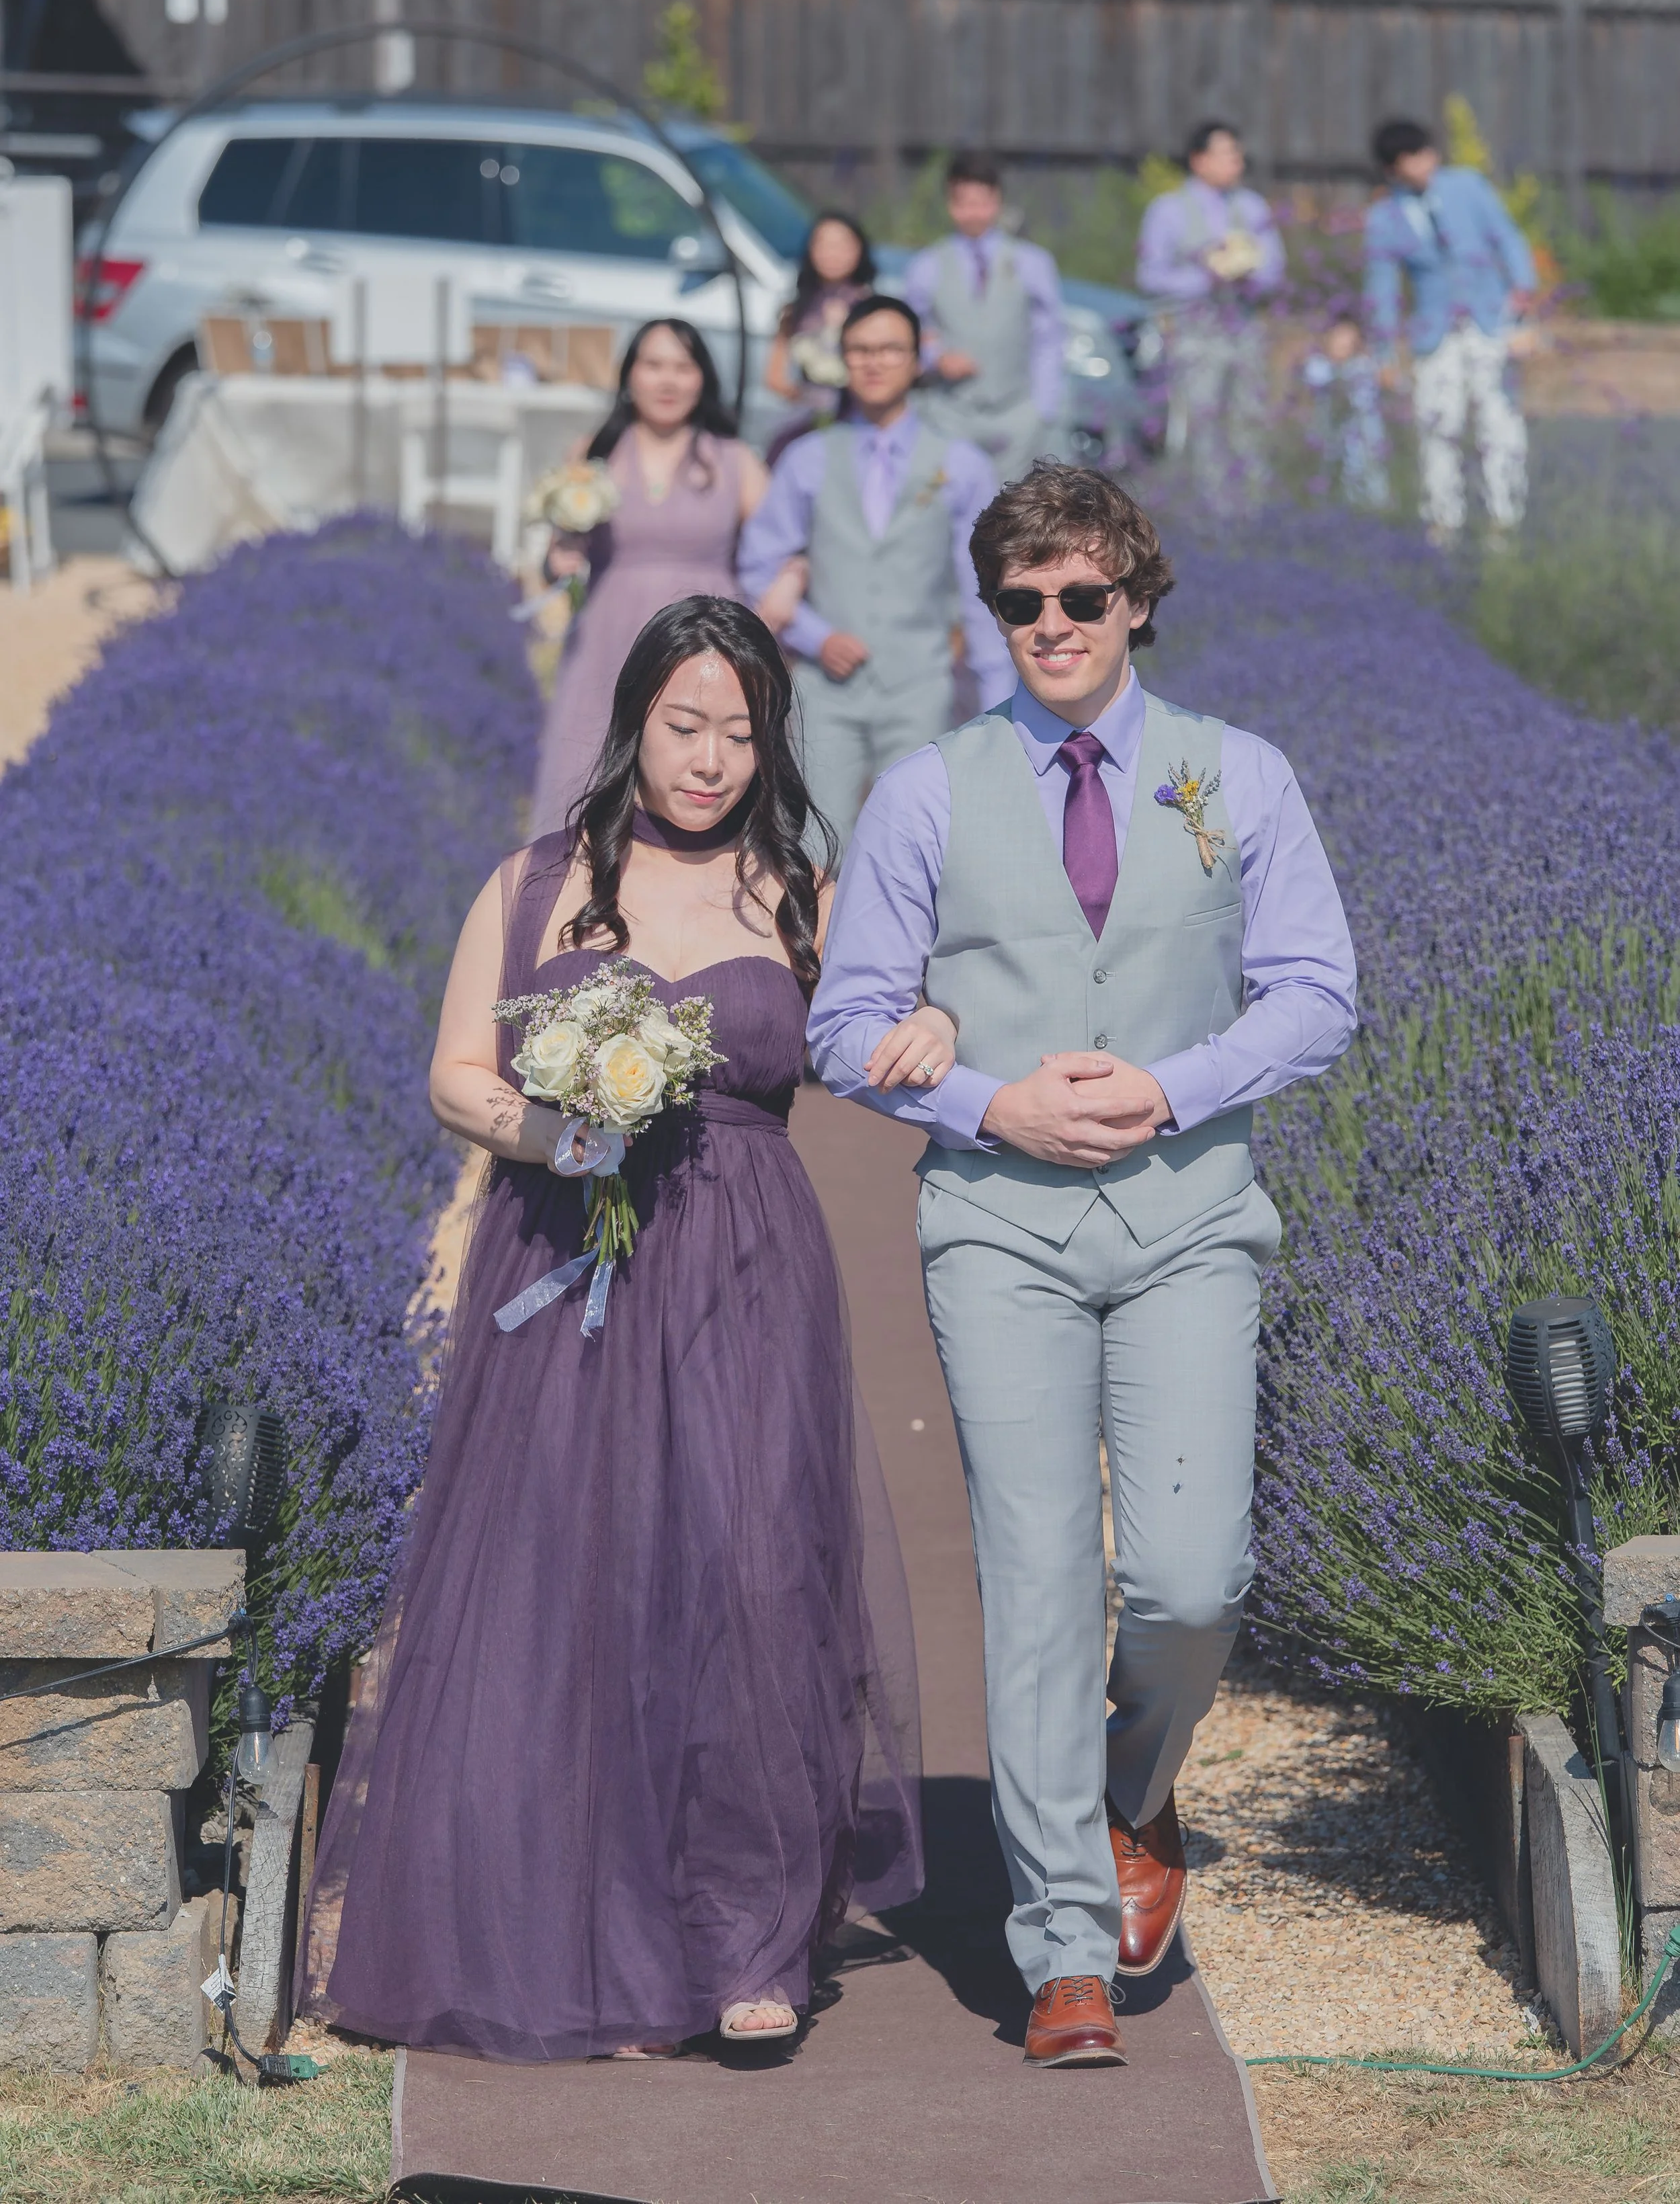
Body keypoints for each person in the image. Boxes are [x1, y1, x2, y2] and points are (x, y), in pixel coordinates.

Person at [300, 597, 943, 2059]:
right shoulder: (533, 888)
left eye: (738, 731)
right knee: (579, 1578)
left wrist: (943, 1030)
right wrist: (559, 1131)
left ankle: (743, 1932)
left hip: (745, 1265)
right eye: (683, 725)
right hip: (571, 1257)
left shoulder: (799, 894)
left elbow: (883, 1034)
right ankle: (581, 1920)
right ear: (635, 720)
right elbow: (455, 1075)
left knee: (751, 1571)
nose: (710, 759)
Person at [810, 463, 1356, 2068]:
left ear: (1137, 599)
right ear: (996, 614)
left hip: (1191, 1214)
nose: (1053, 623)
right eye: (1022, 600)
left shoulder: (1236, 773)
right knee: (1036, 1577)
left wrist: (1174, 1084)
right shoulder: (924, 788)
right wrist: (990, 1099)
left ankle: (1129, 1792)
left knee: (1194, 1579)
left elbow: (1316, 990)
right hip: (997, 1226)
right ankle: (1061, 1942)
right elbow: (849, 1020)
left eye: (1082, 595)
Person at [736, 292, 1013, 848]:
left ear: (916, 360)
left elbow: (985, 595)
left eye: (890, 349)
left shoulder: (961, 466)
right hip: (826, 689)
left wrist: (1004, 707)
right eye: (860, 349)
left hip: (920, 684)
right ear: (842, 359)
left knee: (915, 844)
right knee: (814, 846)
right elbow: (758, 562)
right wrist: (815, 635)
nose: (874, 361)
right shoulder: (807, 459)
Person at [529, 319, 793, 836]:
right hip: (609, 641)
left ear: (703, 379)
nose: (667, 381)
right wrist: (558, 556)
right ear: (630, 376)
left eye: (682, 367)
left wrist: (787, 585)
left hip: (707, 642)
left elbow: (785, 548)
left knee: (703, 771)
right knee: (588, 776)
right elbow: (556, 556)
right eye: (653, 366)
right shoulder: (595, 452)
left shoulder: (735, 460)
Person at [1363, 116, 1536, 542]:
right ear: (1392, 169)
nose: (1421, 165)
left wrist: (1523, 291)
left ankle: (1504, 519)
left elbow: (1506, 237)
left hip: (1489, 318)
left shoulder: (1467, 186)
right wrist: (1384, 352)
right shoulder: (1385, 217)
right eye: (1409, 160)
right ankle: (1443, 521)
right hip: (1434, 330)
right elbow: (1382, 289)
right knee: (1439, 424)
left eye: (1424, 154)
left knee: (1500, 420)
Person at [1135, 120, 1286, 512]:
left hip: (1244, 326)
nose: (1236, 160)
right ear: (1199, 160)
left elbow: (1275, 269)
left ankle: (1255, 509)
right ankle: (1212, 513)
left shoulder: (1251, 206)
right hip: (1194, 332)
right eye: (1226, 153)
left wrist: (1249, 272)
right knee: (1203, 422)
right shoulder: (1168, 211)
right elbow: (1150, 275)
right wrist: (1204, 275)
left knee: (1250, 419)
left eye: (1237, 153)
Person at [902, 150, 1065, 485]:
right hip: (952, 409)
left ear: (998, 202)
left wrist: (1042, 407)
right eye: (964, 203)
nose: (974, 213)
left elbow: (1048, 336)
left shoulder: (1032, 262)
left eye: (983, 202)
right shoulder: (928, 265)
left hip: (1017, 408)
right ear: (951, 204)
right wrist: (936, 358)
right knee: (952, 497)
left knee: (1016, 507)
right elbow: (911, 331)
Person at [763, 208, 876, 457]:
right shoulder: (795, 310)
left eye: (842, 245)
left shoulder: (872, 310)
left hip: (856, 421)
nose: (832, 254)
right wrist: (808, 397)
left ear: (859, 250)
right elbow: (774, 376)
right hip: (806, 420)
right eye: (824, 245)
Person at [1301, 316, 1390, 510]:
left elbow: (1387, 381)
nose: (1343, 344)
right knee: (1327, 475)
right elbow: (1315, 383)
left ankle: (1378, 510)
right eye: (1338, 338)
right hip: (1330, 436)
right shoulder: (1319, 366)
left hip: (1364, 438)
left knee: (1370, 472)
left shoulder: (1364, 365)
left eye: (1349, 339)